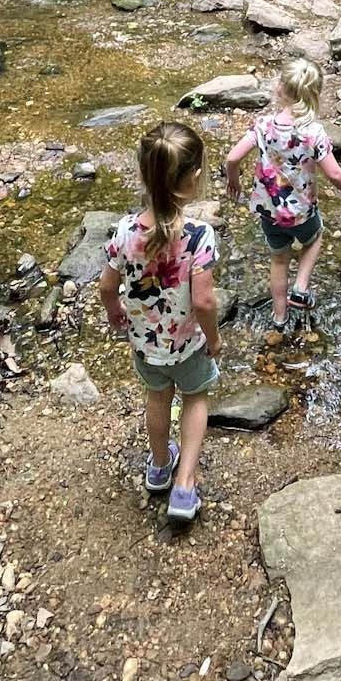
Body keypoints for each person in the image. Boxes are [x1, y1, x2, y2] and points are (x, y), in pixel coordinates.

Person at [99, 118, 220, 525]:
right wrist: (214, 339)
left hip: (146, 344)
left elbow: (106, 286)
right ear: (194, 178)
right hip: (188, 344)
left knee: (157, 397)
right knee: (196, 397)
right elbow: (203, 301)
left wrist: (115, 312)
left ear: (141, 174)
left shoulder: (124, 232)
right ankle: (184, 486)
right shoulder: (200, 236)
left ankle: (157, 466)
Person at [225, 57, 341, 326]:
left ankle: (279, 317)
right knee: (313, 240)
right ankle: (300, 287)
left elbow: (232, 158)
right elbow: (334, 173)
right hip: (302, 211)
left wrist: (235, 181)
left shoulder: (263, 126)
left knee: (278, 261)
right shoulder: (313, 133)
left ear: (280, 88)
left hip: (270, 213)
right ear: (314, 94)